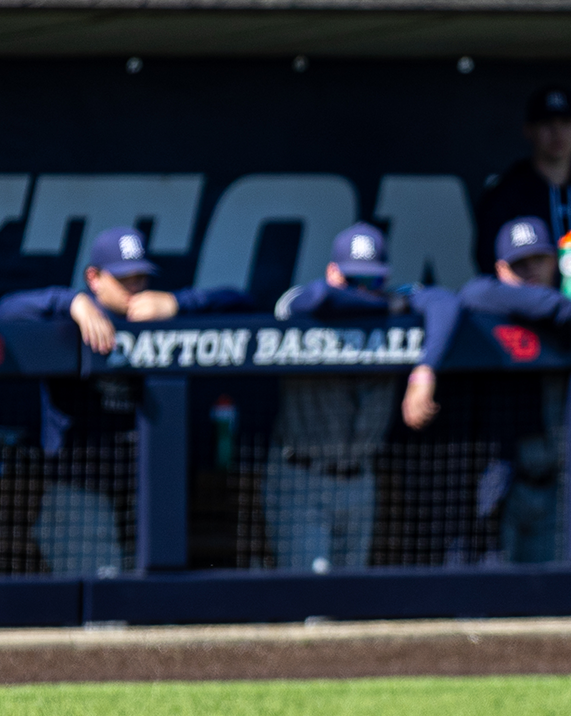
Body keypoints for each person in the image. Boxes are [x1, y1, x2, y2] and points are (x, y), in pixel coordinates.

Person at [0, 228, 249, 575]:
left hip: (142, 491)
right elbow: (6, 311)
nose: (136, 288)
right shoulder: (72, 316)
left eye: (140, 278)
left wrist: (177, 304)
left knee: (153, 603)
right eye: (123, 279)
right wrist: (70, 301)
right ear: (94, 278)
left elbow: (241, 302)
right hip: (79, 491)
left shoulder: (159, 314)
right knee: (106, 605)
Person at [265, 223, 458, 572]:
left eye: (371, 280)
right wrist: (386, 304)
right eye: (352, 279)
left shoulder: (394, 301)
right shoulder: (300, 299)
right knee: (314, 600)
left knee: (351, 604)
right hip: (302, 476)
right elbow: (323, 299)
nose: (361, 288)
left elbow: (445, 301)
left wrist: (424, 370)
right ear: (332, 271)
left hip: (360, 482)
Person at [457, 217, 571, 562]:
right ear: (501, 269)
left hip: (555, 482)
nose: (531, 270)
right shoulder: (488, 299)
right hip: (501, 484)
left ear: (556, 260)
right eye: (520, 264)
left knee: (550, 595)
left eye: (539, 259)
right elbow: (472, 292)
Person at [472, 85, 571, 291]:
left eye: (565, 122)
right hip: (524, 317)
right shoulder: (504, 198)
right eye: (547, 123)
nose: (557, 132)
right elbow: (488, 270)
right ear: (529, 130)